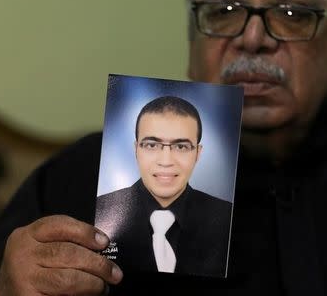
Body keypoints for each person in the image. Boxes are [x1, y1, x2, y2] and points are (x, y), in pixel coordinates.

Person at [0, 0, 327, 295]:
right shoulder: (78, 178)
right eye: (223, 10)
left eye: (292, 12)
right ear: (192, 42)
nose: (253, 38)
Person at [95, 96, 232, 277]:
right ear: (136, 149)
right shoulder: (100, 211)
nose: (166, 161)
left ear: (198, 153)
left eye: (181, 147)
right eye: (151, 145)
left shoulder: (227, 217)